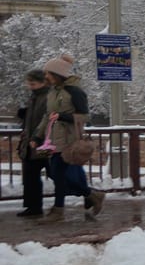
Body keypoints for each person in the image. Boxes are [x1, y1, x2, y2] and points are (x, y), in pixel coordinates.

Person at [33, 54, 105, 221]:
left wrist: (62, 116)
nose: (46, 77)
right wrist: (37, 135)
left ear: (57, 74)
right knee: (56, 176)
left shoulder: (75, 92)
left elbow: (85, 117)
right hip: (54, 140)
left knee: (60, 176)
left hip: (70, 142)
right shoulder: (52, 93)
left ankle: (60, 210)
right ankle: (91, 195)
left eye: (48, 73)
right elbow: (47, 116)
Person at [15, 69, 49, 218]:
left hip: (43, 143)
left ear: (43, 82)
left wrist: (37, 138)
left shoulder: (47, 97)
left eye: (33, 83)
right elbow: (34, 118)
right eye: (29, 83)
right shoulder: (34, 97)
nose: (30, 86)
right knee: (30, 176)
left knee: (56, 174)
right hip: (31, 143)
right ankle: (33, 206)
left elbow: (46, 119)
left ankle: (88, 193)